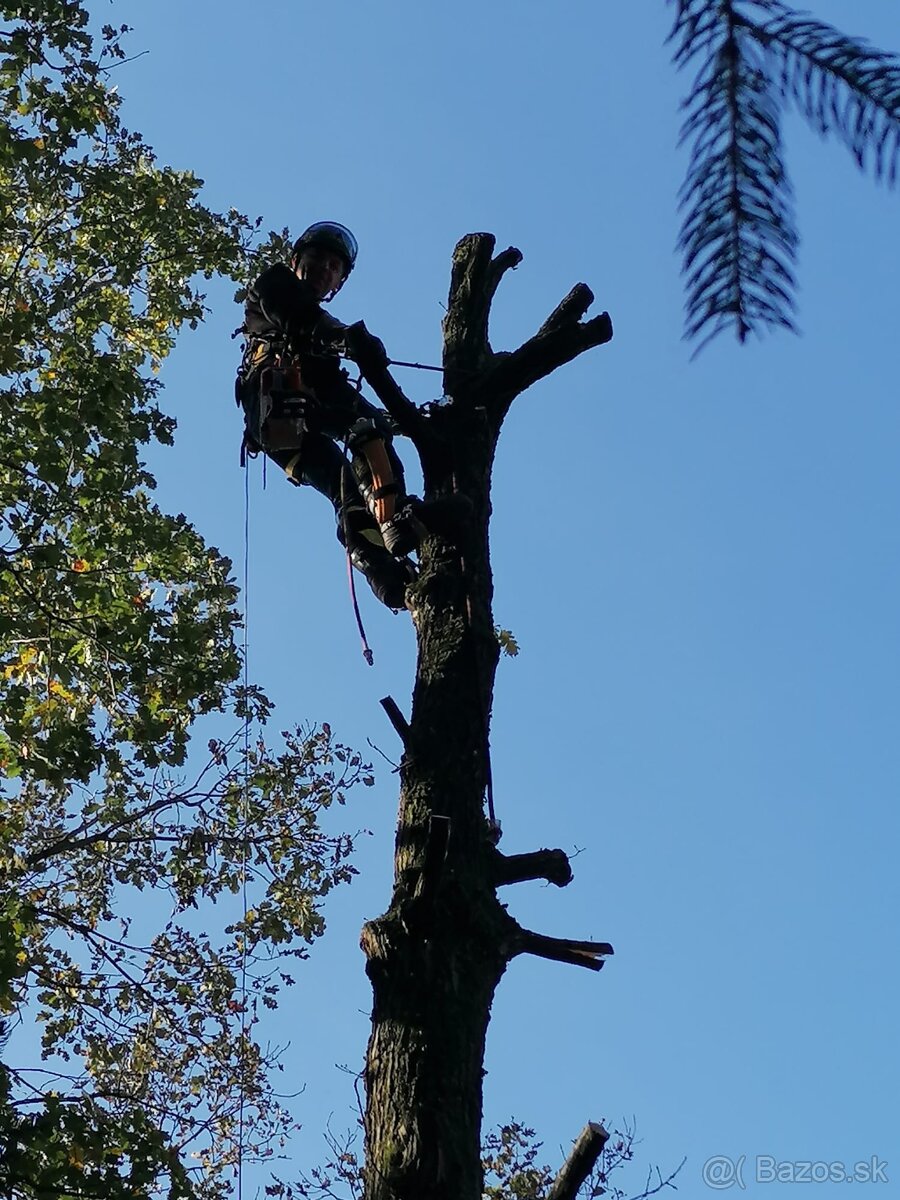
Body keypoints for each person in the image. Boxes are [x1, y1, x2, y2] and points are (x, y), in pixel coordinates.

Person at [236, 222, 420, 609]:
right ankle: (394, 517)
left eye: (335, 266)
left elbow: (349, 403)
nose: (325, 269)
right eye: (318, 258)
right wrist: (347, 338)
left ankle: (385, 574)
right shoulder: (272, 287)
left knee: (349, 489)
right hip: (276, 406)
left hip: (297, 422)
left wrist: (402, 421)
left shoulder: (322, 358)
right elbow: (301, 317)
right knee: (367, 433)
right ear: (295, 260)